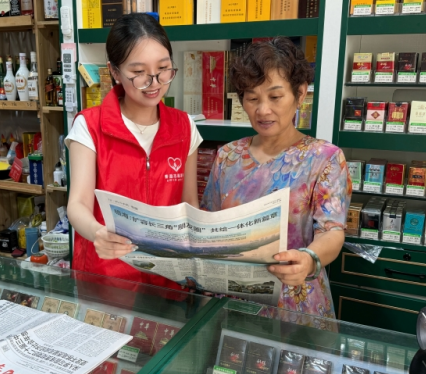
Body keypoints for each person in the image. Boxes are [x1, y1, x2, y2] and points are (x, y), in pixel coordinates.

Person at [201, 37, 352, 318]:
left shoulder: (324, 158)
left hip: (294, 299)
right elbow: (208, 223)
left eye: (275, 96)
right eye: (252, 98)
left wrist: (308, 259)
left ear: (301, 94)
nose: (263, 110)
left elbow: (332, 231)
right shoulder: (227, 156)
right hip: (232, 299)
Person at [66, 13, 202, 290]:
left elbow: (189, 204)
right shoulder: (89, 126)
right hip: (107, 276)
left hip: (169, 279)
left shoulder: (184, 127)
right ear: (115, 72)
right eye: (138, 73)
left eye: (164, 68)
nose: (154, 83)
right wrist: (97, 233)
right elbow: (77, 204)